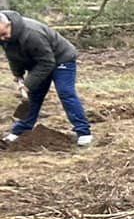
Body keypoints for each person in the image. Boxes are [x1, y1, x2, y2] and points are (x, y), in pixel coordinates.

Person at [2, 8, 92, 147]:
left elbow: (47, 62)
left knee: (65, 92)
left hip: (61, 59)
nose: (3, 39)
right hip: (38, 61)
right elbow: (13, 56)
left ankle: (84, 133)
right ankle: (21, 130)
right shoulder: (5, 35)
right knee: (33, 96)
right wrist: (18, 75)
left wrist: (28, 83)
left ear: (8, 24)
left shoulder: (32, 34)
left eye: (3, 34)